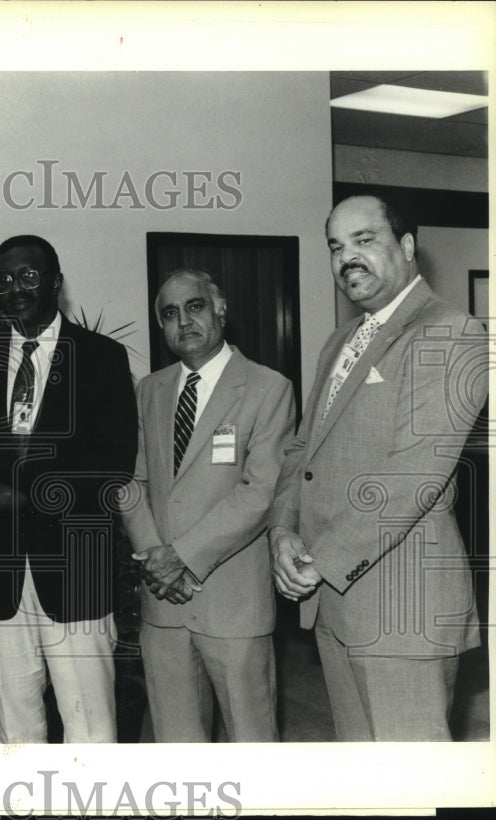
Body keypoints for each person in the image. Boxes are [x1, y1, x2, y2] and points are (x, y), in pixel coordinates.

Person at [269, 195, 487, 741]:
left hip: (401, 614)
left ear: (407, 247)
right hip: (336, 605)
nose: (348, 258)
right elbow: (303, 452)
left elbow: (414, 476)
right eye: (336, 247)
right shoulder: (340, 341)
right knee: (367, 781)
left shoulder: (452, 332)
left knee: (414, 786)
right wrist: (281, 530)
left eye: (364, 240)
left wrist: (320, 560)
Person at [0, 235, 138, 742]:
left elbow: (111, 466)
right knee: (15, 717)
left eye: (27, 276)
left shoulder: (101, 358)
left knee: (89, 723)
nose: (14, 288)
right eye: (2, 280)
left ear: (55, 282)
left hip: (76, 567)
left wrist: (26, 498)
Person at [120, 270, 295, 742]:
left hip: (233, 603)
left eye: (195, 306)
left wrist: (181, 559)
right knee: (177, 744)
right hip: (163, 603)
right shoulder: (150, 391)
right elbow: (131, 482)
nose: (184, 322)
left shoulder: (268, 387)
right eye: (170, 314)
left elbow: (260, 492)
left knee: (251, 741)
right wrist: (157, 559)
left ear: (220, 310)